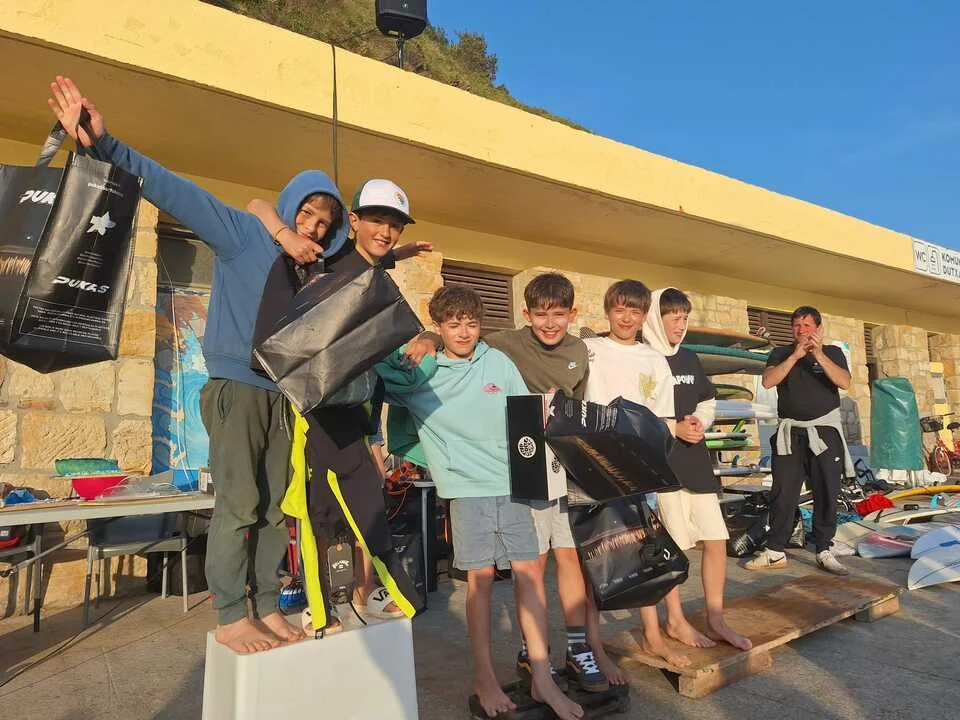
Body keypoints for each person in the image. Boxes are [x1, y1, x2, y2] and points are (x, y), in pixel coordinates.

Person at [47, 77, 428, 653]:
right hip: (237, 389)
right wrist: (104, 142)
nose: (314, 227)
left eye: (324, 223)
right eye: (307, 213)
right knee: (239, 504)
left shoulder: (315, 268)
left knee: (275, 509)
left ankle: (267, 605)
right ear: (289, 206)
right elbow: (169, 188)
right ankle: (230, 614)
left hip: (284, 399)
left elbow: (354, 272)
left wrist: (391, 255)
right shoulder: (243, 234)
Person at [377, 286, 583, 720]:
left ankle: (542, 675)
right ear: (438, 326)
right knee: (481, 581)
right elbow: (375, 369)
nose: (464, 333)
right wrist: (421, 340)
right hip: (467, 493)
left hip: (514, 485)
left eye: (471, 324)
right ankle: (485, 679)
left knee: (530, 575)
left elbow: (523, 416)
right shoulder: (421, 371)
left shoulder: (497, 362)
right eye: (453, 325)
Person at [249, 180, 436, 625]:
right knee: (323, 513)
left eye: (394, 225)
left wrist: (428, 330)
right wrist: (282, 231)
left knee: (356, 510)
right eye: (377, 221)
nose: (385, 232)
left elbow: (372, 260)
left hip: (354, 413)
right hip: (315, 411)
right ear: (353, 221)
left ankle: (358, 603)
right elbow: (257, 205)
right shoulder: (322, 263)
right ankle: (322, 610)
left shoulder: (373, 271)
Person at [485, 272, 620, 691]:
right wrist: (426, 339)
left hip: (567, 468)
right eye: (541, 315)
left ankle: (578, 649)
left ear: (572, 313)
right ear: (526, 314)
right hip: (526, 467)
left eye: (558, 314)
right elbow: (461, 340)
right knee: (533, 563)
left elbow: (581, 405)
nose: (549, 323)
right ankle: (533, 650)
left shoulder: (579, 350)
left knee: (571, 559)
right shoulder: (505, 343)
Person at [582, 279, 690, 667]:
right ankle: (592, 644)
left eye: (635, 311)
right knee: (594, 555)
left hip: (638, 469)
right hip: (592, 466)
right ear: (607, 310)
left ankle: (653, 634)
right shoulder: (589, 350)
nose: (626, 318)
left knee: (646, 552)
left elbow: (662, 419)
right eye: (619, 309)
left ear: (645, 316)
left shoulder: (654, 360)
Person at [642, 288, 752, 651]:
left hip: (695, 461)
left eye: (685, 318)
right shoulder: (643, 359)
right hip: (662, 466)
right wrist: (672, 427)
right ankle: (675, 620)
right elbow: (633, 411)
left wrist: (700, 421)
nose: (681, 325)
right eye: (673, 317)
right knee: (672, 545)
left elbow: (707, 398)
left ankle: (716, 618)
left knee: (716, 539)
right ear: (656, 318)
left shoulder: (689, 358)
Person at [746, 306, 854, 575]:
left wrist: (818, 354)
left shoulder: (833, 353)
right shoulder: (781, 353)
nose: (802, 330)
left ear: (818, 328)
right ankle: (775, 550)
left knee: (827, 489)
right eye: (797, 325)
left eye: (807, 326)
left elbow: (844, 382)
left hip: (824, 432)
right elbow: (768, 381)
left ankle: (824, 548)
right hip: (789, 432)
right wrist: (795, 356)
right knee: (783, 490)